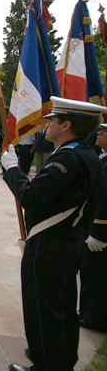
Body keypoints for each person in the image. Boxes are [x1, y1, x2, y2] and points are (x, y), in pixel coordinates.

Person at [1, 96, 106, 371]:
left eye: (53, 120)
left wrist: (12, 169)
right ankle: (58, 358)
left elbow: (33, 198)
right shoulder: (85, 154)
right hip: (67, 242)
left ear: (66, 124)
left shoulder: (69, 159)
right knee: (62, 308)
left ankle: (46, 364)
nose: (47, 125)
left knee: (43, 310)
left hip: (51, 246)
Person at [79, 123, 107, 333]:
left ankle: (94, 318)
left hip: (100, 231)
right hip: (93, 227)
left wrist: (98, 231)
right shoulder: (102, 157)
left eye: (104, 131)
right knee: (90, 272)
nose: (98, 133)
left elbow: (104, 201)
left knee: (96, 274)